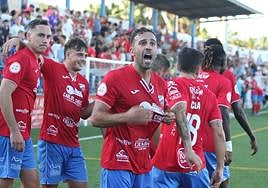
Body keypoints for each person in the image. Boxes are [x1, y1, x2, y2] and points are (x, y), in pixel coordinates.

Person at [89, 27, 200, 188]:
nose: (148, 46)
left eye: (152, 43)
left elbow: (160, 117)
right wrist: (127, 116)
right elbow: (95, 118)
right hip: (117, 162)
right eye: (143, 43)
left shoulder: (161, 84)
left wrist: (166, 116)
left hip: (144, 164)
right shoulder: (115, 78)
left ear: (156, 50)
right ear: (132, 50)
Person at [3, 36, 93, 187]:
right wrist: (19, 41)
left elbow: (84, 113)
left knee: (81, 184)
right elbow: (34, 54)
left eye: (85, 55)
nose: (83, 59)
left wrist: (103, 102)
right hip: (52, 142)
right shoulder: (53, 67)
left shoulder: (84, 83)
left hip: (73, 144)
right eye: (79, 54)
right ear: (68, 54)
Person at [152, 47, 225, 188]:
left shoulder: (169, 86)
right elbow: (219, 132)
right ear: (199, 68)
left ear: (178, 66)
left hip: (165, 164)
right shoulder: (209, 96)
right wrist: (220, 168)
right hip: (195, 164)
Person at [0, 19, 51, 188]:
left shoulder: (36, 60)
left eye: (48, 36)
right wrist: (14, 130)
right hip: (8, 132)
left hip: (24, 133)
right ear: (29, 36)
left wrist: (19, 41)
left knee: (32, 182)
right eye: (40, 35)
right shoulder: (20, 60)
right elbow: (4, 92)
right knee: (5, 182)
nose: (45, 39)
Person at [204, 38, 257, 156]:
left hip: (192, 142)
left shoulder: (195, 73)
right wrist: (251, 136)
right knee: (220, 174)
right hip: (215, 142)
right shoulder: (227, 75)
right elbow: (236, 111)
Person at [197, 44, 232, 188]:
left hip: (190, 142)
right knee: (222, 181)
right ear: (223, 61)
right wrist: (227, 146)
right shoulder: (223, 81)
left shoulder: (194, 76)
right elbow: (223, 113)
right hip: (211, 143)